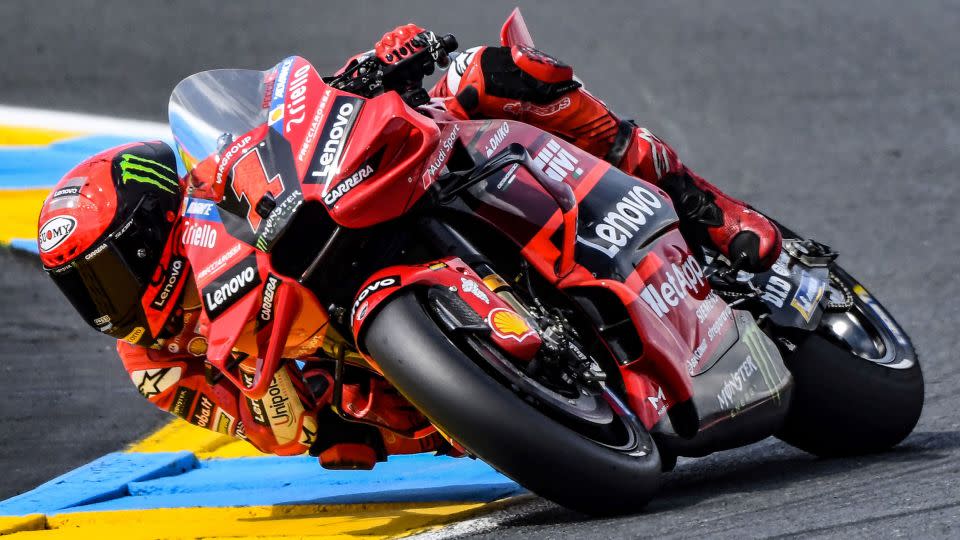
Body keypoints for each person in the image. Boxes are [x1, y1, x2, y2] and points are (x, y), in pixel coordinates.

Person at [37, 25, 781, 469]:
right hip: (383, 380)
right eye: (85, 292)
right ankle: (538, 383)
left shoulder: (219, 187)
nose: (109, 302)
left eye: (111, 272)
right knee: (353, 425)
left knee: (491, 76)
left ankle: (705, 209)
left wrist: (369, 71)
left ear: (161, 226)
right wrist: (315, 404)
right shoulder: (156, 365)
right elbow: (278, 431)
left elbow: (289, 120)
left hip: (369, 205)